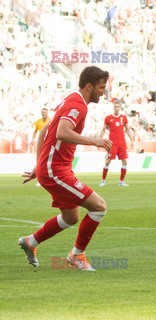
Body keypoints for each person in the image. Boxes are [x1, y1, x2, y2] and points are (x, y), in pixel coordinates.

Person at [19, 66, 112, 271]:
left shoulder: (70, 99)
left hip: (52, 168)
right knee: (99, 206)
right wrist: (95, 141)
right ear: (89, 86)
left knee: (71, 217)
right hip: (55, 170)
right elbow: (61, 132)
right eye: (101, 87)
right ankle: (77, 255)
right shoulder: (78, 105)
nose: (103, 92)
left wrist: (38, 164)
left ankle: (30, 242)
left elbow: (45, 130)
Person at [98, 99, 134, 187]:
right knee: (107, 161)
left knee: (125, 161)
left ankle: (121, 181)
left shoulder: (124, 118)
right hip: (112, 143)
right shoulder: (108, 118)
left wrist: (132, 140)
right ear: (113, 107)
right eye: (115, 106)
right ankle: (103, 180)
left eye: (118, 106)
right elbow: (103, 130)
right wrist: (99, 140)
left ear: (120, 107)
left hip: (122, 143)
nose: (117, 108)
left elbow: (127, 130)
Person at [31, 108, 50, 186]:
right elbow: (35, 132)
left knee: (47, 160)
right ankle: (40, 179)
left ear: (47, 113)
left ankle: (46, 178)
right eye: (42, 112)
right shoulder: (38, 122)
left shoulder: (50, 120)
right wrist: (32, 139)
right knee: (40, 160)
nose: (43, 114)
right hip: (41, 143)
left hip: (49, 143)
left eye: (45, 112)